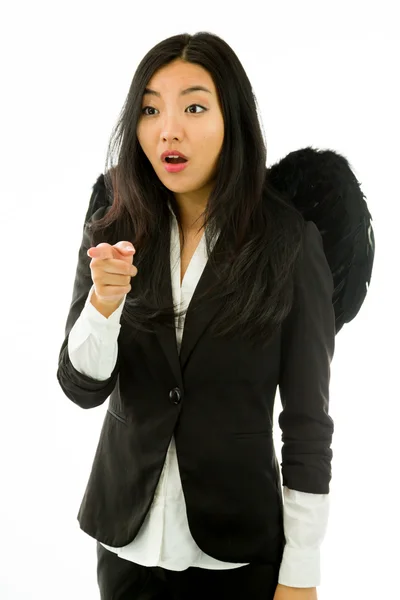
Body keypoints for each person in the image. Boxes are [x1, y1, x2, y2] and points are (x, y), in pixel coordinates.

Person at [57, 31, 335, 600]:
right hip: (125, 544)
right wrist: (103, 305)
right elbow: (81, 387)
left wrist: (301, 571)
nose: (169, 129)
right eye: (151, 109)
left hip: (238, 555)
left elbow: (308, 421)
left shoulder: (288, 241)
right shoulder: (112, 223)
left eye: (193, 106)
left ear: (232, 118)